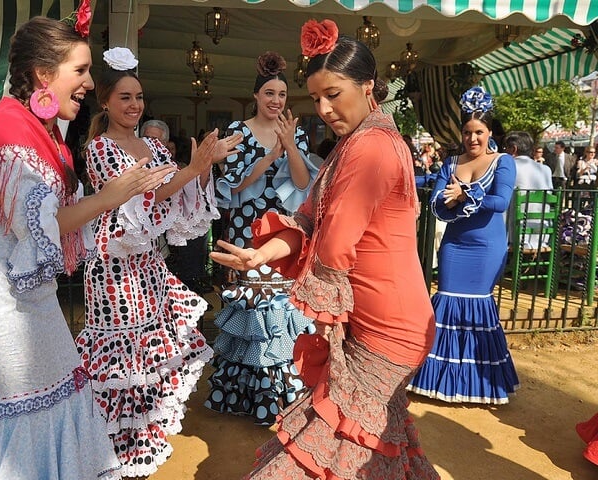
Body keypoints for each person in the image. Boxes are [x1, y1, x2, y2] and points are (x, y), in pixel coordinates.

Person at [0, 11, 174, 480]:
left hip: (18, 299)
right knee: (23, 428)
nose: (88, 83)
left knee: (50, 413)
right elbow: (41, 226)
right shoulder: (9, 134)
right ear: (44, 75)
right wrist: (113, 195)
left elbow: (56, 226)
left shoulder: (41, 133)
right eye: (80, 71)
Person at [211, 20, 439, 478]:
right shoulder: (355, 142)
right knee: (366, 444)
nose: (324, 108)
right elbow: (309, 219)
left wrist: (305, 290)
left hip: (384, 323)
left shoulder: (371, 146)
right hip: (378, 313)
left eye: (333, 94)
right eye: (316, 98)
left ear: (368, 86)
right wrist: (260, 255)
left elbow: (333, 244)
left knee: (338, 444)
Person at [74, 46, 240, 479]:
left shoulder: (150, 143)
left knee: (147, 356)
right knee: (120, 361)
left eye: (139, 97)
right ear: (106, 101)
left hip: (147, 266)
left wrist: (204, 166)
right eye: (125, 97)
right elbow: (141, 197)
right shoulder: (99, 148)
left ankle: (142, 438)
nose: (134, 105)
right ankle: (111, 449)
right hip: (113, 271)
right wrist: (193, 166)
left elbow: (176, 190)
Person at [203, 51, 318, 426]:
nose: (276, 100)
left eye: (282, 95)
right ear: (256, 95)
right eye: (269, 93)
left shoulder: (294, 131)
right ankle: (245, 396)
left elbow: (302, 184)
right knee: (251, 313)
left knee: (280, 315)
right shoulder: (238, 132)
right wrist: (271, 156)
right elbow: (234, 184)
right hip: (246, 232)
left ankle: (280, 395)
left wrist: (291, 148)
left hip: (282, 233)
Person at [407, 86, 520, 404]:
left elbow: (501, 202)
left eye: (479, 132)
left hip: (486, 248)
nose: (473, 139)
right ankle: (439, 382)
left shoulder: (503, 162)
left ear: (489, 132)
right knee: (446, 302)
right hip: (455, 246)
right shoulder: (450, 161)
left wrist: (464, 195)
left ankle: (479, 387)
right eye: (468, 132)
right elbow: (437, 205)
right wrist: (452, 198)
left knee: (477, 310)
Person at [504, 131, 553, 249]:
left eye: (506, 148)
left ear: (514, 149)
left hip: (516, 236)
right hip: (543, 235)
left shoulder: (508, 166)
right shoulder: (545, 169)